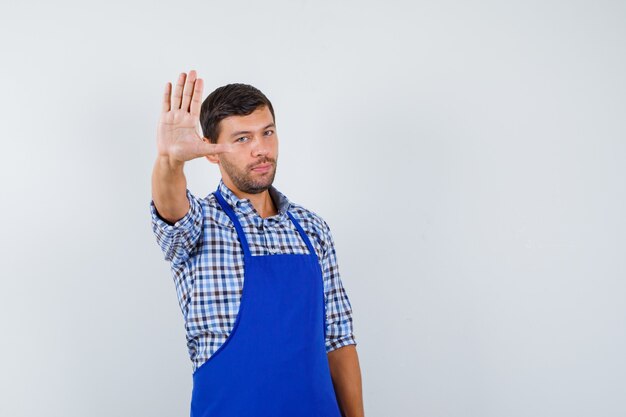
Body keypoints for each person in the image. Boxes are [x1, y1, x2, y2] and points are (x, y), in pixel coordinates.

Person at [150, 70, 364, 417]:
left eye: (267, 133)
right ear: (211, 152)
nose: (261, 149)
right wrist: (169, 162)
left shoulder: (312, 229)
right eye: (242, 139)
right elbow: (170, 208)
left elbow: (338, 339)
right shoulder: (200, 223)